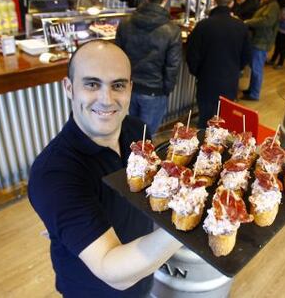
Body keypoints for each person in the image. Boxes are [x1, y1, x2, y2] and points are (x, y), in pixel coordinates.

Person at [28, 40, 182, 297]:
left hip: (142, 271)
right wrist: (193, 224)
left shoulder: (136, 129)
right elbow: (111, 270)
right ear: (69, 88)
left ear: (130, 89)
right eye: (91, 84)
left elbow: (148, 193)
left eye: (118, 85)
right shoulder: (54, 173)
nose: (106, 99)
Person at [116, 0, 182, 135]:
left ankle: (127, 157)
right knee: (147, 138)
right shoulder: (172, 30)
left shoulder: (125, 23)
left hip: (130, 87)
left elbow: (118, 57)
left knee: (129, 132)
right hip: (155, 91)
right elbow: (173, 66)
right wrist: (166, 90)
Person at [186, 0, 251, 128]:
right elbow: (246, 57)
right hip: (230, 82)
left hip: (206, 82)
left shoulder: (203, 26)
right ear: (232, 3)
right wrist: (234, 69)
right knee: (223, 123)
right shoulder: (241, 27)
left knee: (204, 122)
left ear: (214, 1)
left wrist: (198, 72)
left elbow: (191, 55)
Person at [242, 0, 280, 101]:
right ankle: (251, 89)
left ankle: (254, 94)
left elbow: (266, 21)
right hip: (258, 41)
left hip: (261, 43)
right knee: (254, 67)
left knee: (257, 68)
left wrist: (247, 22)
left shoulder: (273, 6)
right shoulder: (267, 5)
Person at [267, 5, 285, 69]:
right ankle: (274, 61)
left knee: (281, 49)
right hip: (282, 32)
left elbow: (281, 18)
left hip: (284, 32)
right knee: (278, 47)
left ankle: (279, 63)